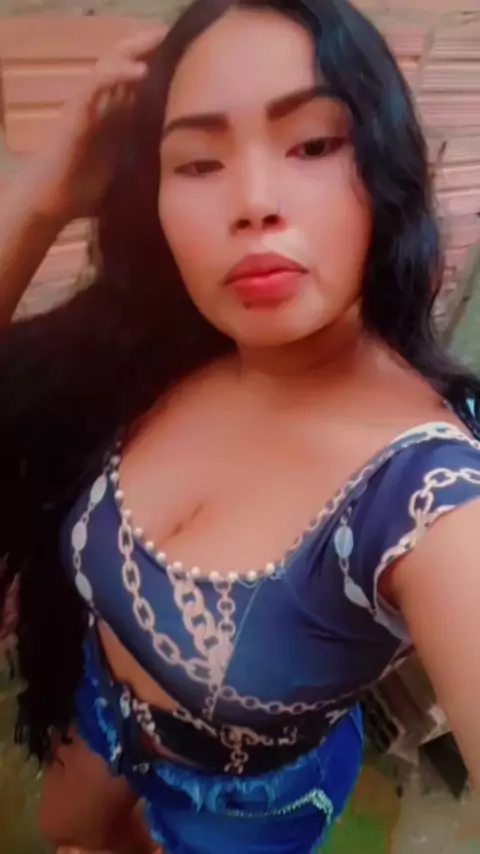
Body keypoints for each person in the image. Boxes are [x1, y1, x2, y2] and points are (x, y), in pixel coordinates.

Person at [1, 0, 480, 851]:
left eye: (314, 145)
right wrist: (43, 199)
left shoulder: (428, 497)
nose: (254, 202)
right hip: (100, 716)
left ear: (385, 164)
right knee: (67, 835)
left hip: (248, 807)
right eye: (197, 162)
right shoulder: (159, 348)